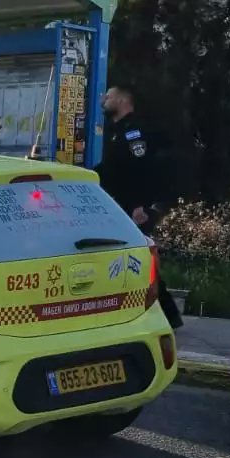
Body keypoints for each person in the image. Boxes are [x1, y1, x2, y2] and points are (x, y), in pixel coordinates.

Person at [97, 84, 183, 328]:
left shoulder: (134, 133)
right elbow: (110, 171)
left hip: (134, 211)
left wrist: (140, 206)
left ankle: (169, 315)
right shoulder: (116, 131)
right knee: (125, 261)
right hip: (117, 208)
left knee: (141, 261)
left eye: (110, 96)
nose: (104, 99)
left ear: (124, 100)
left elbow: (141, 172)